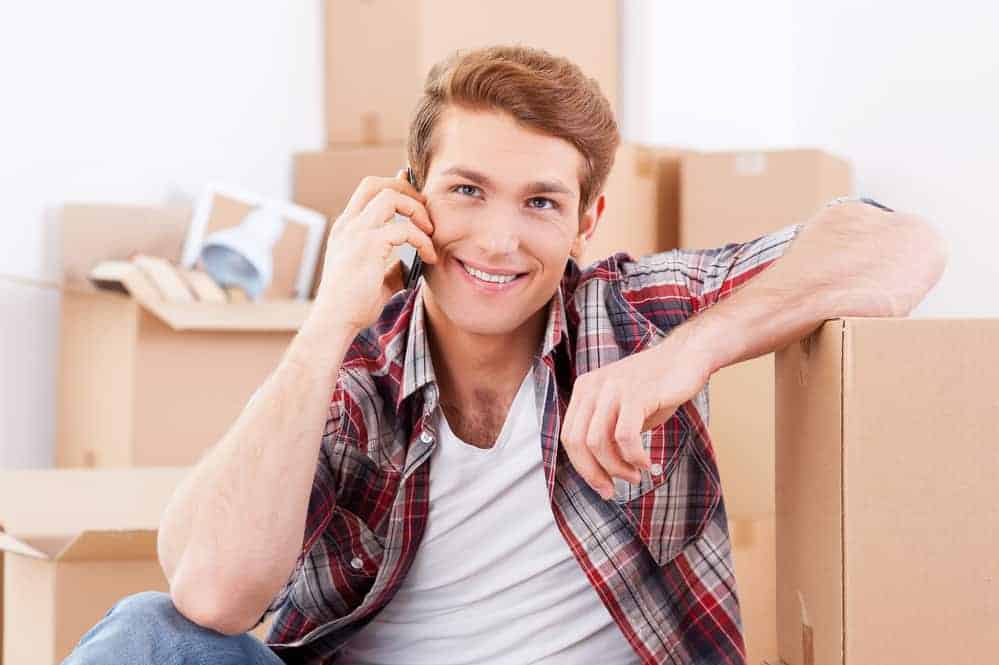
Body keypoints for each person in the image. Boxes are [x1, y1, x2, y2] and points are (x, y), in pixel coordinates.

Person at [63, 44, 946, 665]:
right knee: (152, 631)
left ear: (586, 221)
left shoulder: (631, 316)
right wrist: (326, 321)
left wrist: (689, 353)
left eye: (538, 203)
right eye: (467, 191)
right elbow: (214, 594)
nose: (496, 239)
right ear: (411, 198)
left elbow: (894, 241)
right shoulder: (355, 369)